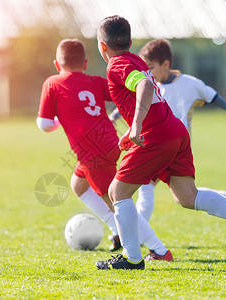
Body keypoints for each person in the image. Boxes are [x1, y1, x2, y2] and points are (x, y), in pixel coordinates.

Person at [95, 15, 226, 270]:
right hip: (175, 130)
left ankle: (132, 258)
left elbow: (144, 86)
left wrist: (136, 125)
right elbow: (148, 93)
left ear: (102, 46)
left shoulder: (116, 65)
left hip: (158, 136)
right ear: (131, 41)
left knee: (117, 192)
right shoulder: (134, 59)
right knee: (187, 196)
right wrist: (134, 128)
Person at [37, 38, 172, 261]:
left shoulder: (52, 83)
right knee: (78, 184)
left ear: (56, 64)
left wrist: (61, 120)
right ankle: (118, 231)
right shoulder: (96, 81)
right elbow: (125, 95)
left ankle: (158, 249)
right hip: (109, 141)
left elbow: (44, 124)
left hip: (92, 152)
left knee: (118, 201)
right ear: (86, 63)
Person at [109, 38, 226, 223]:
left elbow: (213, 96)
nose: (147, 71)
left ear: (165, 64)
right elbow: (136, 99)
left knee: (145, 189)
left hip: (170, 143)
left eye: (150, 67)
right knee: (186, 196)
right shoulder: (151, 83)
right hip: (159, 140)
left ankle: (141, 234)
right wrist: (115, 116)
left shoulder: (190, 83)